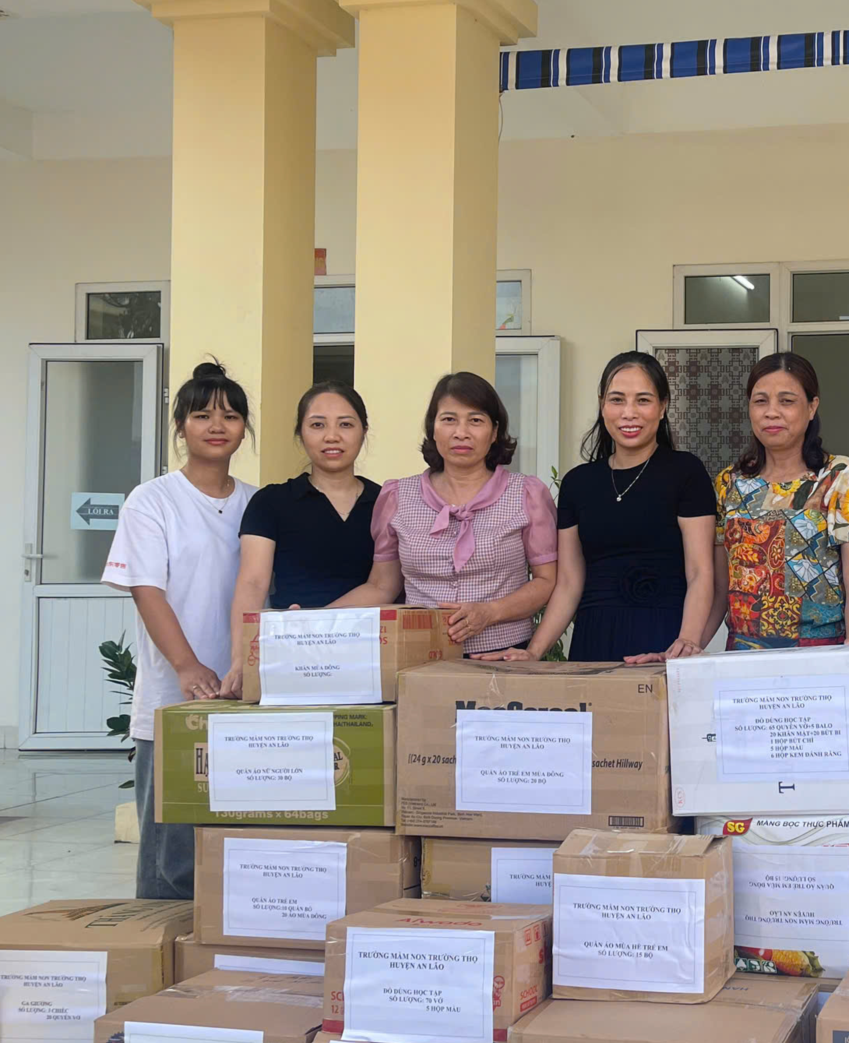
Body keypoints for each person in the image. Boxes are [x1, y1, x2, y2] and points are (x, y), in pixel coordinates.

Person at [101, 361, 255, 899]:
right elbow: (147, 590)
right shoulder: (152, 500)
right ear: (180, 426)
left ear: (245, 429)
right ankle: (158, 946)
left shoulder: (257, 503)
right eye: (202, 415)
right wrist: (187, 667)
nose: (217, 425)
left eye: (230, 415)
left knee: (236, 849)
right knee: (169, 857)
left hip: (243, 695)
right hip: (172, 700)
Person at [487, 352, 716, 663]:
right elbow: (569, 583)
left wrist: (686, 642)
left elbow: (700, 571)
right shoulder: (578, 483)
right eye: (617, 400)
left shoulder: (686, 472)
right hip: (593, 639)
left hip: (663, 641)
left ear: (663, 407)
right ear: (602, 405)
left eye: (643, 400)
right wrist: (533, 651)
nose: (629, 413)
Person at [334, 372, 557, 657]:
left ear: (494, 432)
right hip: (418, 656)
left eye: (475, 420)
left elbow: (546, 581)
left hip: (503, 655)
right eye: (449, 419)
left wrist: (491, 612)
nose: (461, 432)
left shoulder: (526, 493)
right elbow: (381, 586)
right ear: (433, 429)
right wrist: (309, 621)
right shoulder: (397, 496)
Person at [706, 352, 849, 648]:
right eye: (760, 401)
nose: (771, 412)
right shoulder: (729, 483)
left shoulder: (840, 476)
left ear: (812, 407)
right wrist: (688, 646)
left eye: (786, 401)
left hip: (822, 655)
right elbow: (720, 588)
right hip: (743, 656)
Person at [219, 382, 378, 698]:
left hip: (372, 656)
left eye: (345, 424)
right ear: (300, 434)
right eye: (318, 425)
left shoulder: (387, 502)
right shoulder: (271, 502)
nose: (332, 436)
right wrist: (240, 660)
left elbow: (386, 584)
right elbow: (252, 583)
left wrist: (313, 627)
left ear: (363, 431)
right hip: (292, 659)